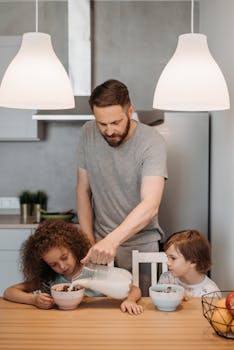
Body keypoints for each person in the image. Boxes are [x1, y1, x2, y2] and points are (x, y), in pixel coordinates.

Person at [77, 79, 167, 295]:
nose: (109, 131)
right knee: (98, 320)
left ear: (130, 111)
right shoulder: (87, 133)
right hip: (99, 247)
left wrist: (112, 241)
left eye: (115, 122)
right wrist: (91, 241)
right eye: (102, 124)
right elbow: (83, 191)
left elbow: (150, 205)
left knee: (141, 316)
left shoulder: (151, 141)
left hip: (142, 247)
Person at [3, 220, 143, 315]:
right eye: (53, 264)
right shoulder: (50, 279)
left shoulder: (92, 270)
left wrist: (129, 300)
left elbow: (134, 289)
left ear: (74, 249)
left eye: (64, 257)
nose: (62, 266)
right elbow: (9, 292)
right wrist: (33, 300)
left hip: (97, 324)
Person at [158, 230, 220, 297]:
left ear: (193, 261)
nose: (168, 263)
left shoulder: (211, 292)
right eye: (168, 257)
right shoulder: (166, 279)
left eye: (173, 258)